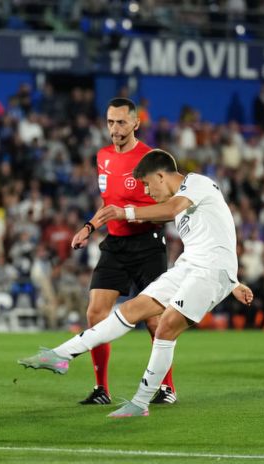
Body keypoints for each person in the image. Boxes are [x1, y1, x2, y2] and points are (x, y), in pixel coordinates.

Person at [19, 149, 253, 417]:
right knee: (131, 309)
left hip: (211, 271)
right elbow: (217, 234)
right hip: (190, 267)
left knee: (165, 326)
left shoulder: (197, 183)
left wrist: (126, 213)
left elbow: (174, 212)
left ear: (161, 176)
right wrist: (234, 283)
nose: (147, 191)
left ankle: (140, 403)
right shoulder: (183, 203)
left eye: (147, 184)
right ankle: (60, 355)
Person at [69, 97, 175, 405]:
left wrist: (135, 215)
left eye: (121, 122)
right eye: (110, 122)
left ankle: (166, 387)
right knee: (95, 313)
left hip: (147, 244)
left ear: (136, 123)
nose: (115, 129)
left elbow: (170, 207)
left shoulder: (152, 159)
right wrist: (88, 227)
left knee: (154, 320)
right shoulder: (103, 156)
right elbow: (109, 204)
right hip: (115, 244)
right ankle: (101, 389)